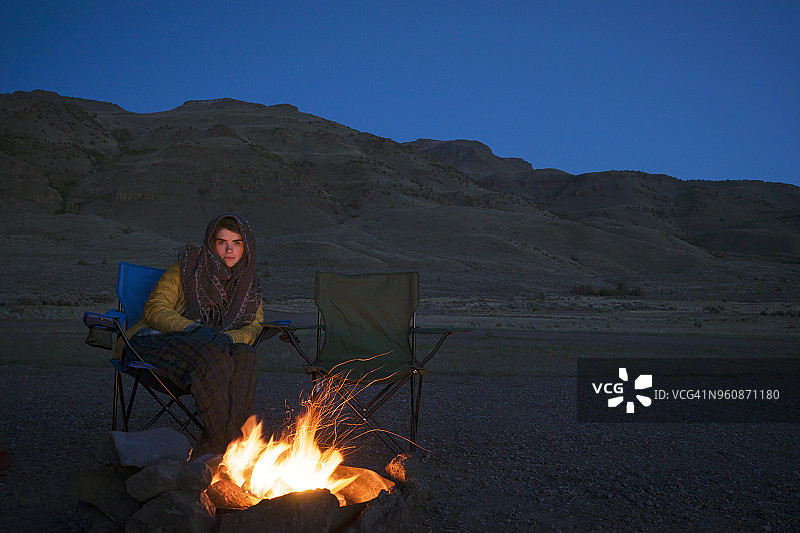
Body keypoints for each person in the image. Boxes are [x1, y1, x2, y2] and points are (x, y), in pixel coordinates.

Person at [124, 213, 264, 455]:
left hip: (212, 353)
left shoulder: (248, 283)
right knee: (214, 356)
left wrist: (230, 338)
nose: (229, 249)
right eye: (221, 242)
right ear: (212, 243)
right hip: (153, 344)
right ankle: (230, 451)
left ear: (247, 246)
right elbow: (155, 309)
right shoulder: (188, 267)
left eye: (237, 243)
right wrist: (194, 329)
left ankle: (217, 451)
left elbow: (254, 325)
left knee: (245, 355)